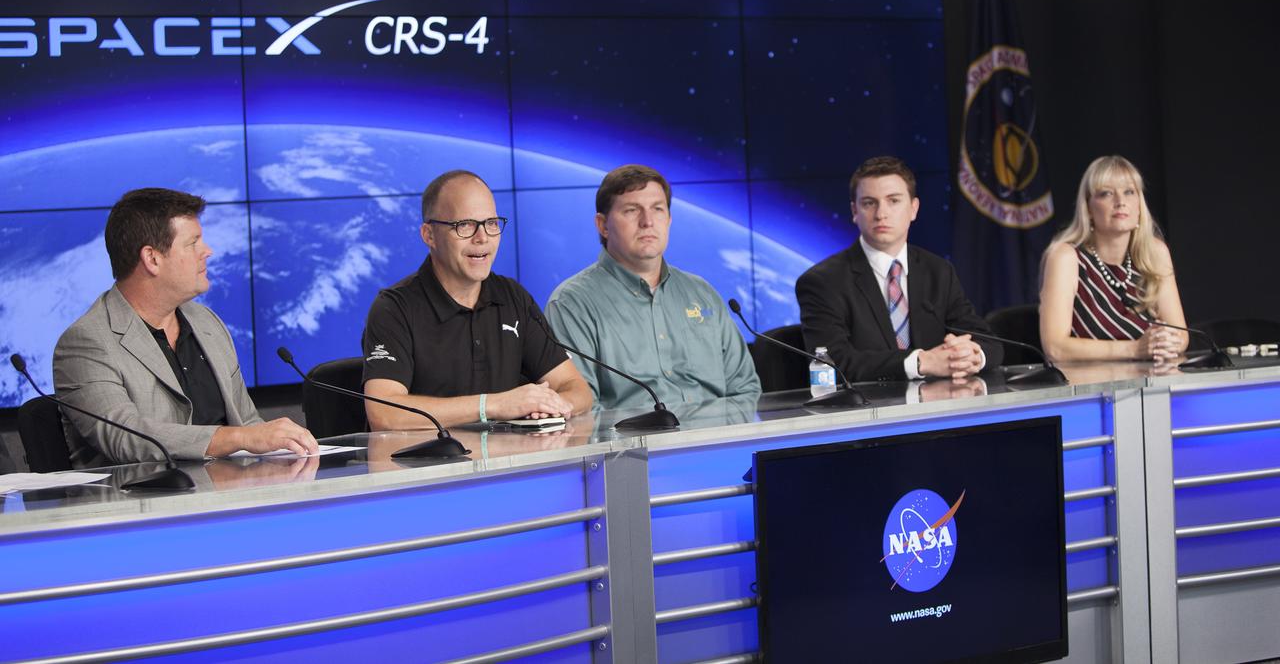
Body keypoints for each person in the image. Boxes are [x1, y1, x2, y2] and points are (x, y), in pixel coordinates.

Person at [54, 188, 317, 466]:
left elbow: (248, 423)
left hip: (234, 496)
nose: (207, 251)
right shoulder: (87, 343)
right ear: (152, 258)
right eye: (193, 243)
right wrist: (240, 438)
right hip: (145, 501)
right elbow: (127, 438)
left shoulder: (207, 323)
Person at [361, 171, 592, 430]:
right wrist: (491, 406)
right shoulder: (394, 308)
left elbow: (578, 390)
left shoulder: (512, 297)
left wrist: (549, 405)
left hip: (513, 464)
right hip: (432, 467)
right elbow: (384, 414)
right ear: (429, 235)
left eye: (491, 223)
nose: (482, 237)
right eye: (465, 225)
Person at [545, 164, 761, 409]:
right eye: (631, 210)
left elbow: (745, 389)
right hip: (633, 446)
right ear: (603, 225)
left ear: (668, 220)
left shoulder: (702, 293)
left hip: (717, 443)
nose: (647, 222)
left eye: (657, 209)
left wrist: (721, 440)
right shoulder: (572, 304)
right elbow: (583, 409)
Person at [796, 156, 1002, 383]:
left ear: (913, 209)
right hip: (866, 412)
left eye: (893, 201)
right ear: (855, 211)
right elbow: (832, 364)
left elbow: (989, 343)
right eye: (869, 203)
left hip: (940, 408)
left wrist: (971, 355)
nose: (881, 214)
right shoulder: (823, 282)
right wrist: (920, 362)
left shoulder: (938, 271)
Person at [1039, 155, 1187, 363]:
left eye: (1129, 192)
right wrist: (1135, 349)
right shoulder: (1066, 257)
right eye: (1106, 193)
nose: (1120, 202)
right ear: (1089, 208)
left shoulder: (1155, 252)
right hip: (1088, 388)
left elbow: (1181, 334)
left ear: (1139, 205)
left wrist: (1167, 343)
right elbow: (1055, 348)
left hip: (1153, 385)